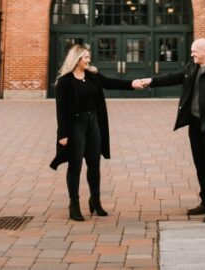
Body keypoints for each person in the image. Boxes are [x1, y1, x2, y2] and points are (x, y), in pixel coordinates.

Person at [136, 38, 205, 222]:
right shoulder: (192, 68)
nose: (191, 54)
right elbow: (173, 77)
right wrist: (151, 80)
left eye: (194, 51)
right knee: (200, 163)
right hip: (195, 124)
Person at [50, 44, 146, 221]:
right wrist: (63, 134)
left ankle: (95, 201)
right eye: (86, 57)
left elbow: (111, 82)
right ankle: (74, 204)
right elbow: (61, 109)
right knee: (75, 165)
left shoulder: (92, 76)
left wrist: (132, 83)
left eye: (88, 57)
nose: (88, 60)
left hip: (93, 124)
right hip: (75, 125)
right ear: (77, 59)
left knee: (94, 164)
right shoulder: (65, 81)